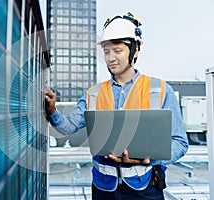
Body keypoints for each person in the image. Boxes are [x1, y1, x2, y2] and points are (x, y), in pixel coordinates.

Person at [44, 12, 188, 200]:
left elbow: (180, 143)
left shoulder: (160, 90)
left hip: (146, 189)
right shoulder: (94, 93)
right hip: (103, 190)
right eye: (106, 51)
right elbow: (67, 127)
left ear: (135, 50)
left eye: (117, 51)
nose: (110, 58)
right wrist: (52, 110)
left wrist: (150, 158)